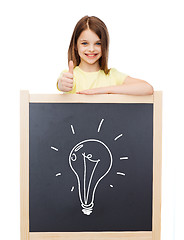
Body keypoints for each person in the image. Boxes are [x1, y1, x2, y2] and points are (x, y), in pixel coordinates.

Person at [57, 16, 153, 95]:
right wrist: (63, 85)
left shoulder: (112, 75)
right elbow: (62, 84)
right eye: (85, 43)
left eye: (98, 44)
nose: (91, 49)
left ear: (105, 46)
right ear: (75, 46)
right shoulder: (70, 76)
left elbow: (147, 88)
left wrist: (103, 90)